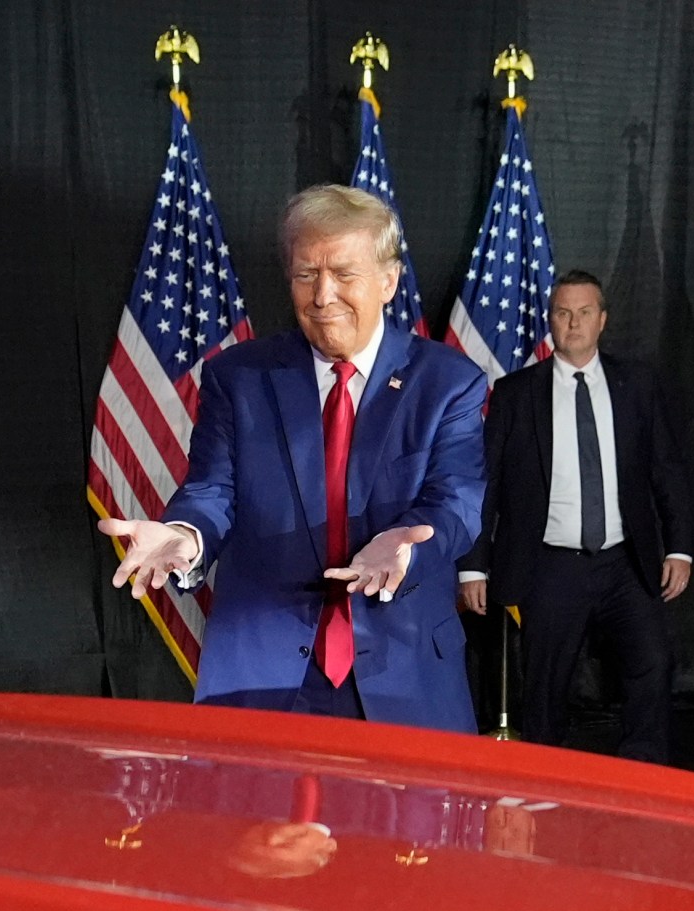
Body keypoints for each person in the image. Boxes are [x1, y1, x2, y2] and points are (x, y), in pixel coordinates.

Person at [98, 185, 486, 731]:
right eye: (306, 274)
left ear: (388, 281)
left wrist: (411, 545)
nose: (323, 295)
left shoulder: (447, 383)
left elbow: (457, 502)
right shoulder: (240, 377)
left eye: (343, 273)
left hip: (406, 671)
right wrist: (185, 535)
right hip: (263, 674)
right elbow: (213, 490)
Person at [457, 270, 694, 763]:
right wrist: (474, 564)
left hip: (626, 561)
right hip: (550, 565)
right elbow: (488, 484)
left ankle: (642, 776)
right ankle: (545, 783)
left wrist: (679, 546)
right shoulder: (516, 393)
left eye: (584, 312)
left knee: (652, 662)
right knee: (546, 683)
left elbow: (666, 471)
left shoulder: (637, 386)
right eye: (563, 313)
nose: (574, 323)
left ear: (602, 319)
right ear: (550, 320)